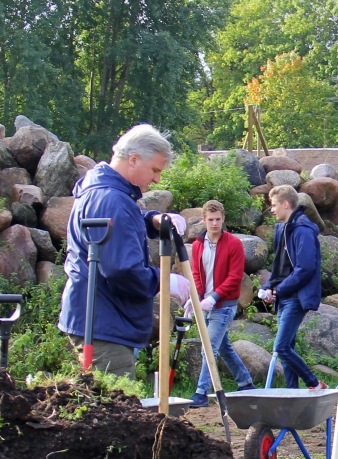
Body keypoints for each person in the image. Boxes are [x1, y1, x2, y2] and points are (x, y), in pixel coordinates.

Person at [58, 124, 186, 378]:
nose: (157, 179)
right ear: (134, 159)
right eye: (155, 170)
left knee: (98, 406)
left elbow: (118, 229)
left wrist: (150, 220)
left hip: (97, 319)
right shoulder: (113, 200)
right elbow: (121, 270)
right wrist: (163, 280)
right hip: (103, 324)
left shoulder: (103, 190)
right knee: (113, 410)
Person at [188, 199, 257, 406]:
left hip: (224, 304)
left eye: (218, 219)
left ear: (223, 219)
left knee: (208, 348)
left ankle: (201, 392)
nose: (214, 223)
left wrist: (214, 297)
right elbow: (196, 273)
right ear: (204, 220)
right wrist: (199, 297)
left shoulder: (233, 244)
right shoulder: (198, 245)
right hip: (205, 303)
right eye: (210, 220)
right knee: (224, 346)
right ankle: (246, 383)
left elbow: (235, 276)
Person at [257, 185, 326, 390]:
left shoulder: (303, 231)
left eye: (274, 205)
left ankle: (314, 383)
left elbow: (305, 269)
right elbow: (279, 265)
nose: (272, 210)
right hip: (284, 296)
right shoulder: (282, 228)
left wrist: (279, 290)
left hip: (297, 297)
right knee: (288, 347)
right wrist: (269, 287)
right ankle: (291, 395)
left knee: (281, 347)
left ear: (286, 204)